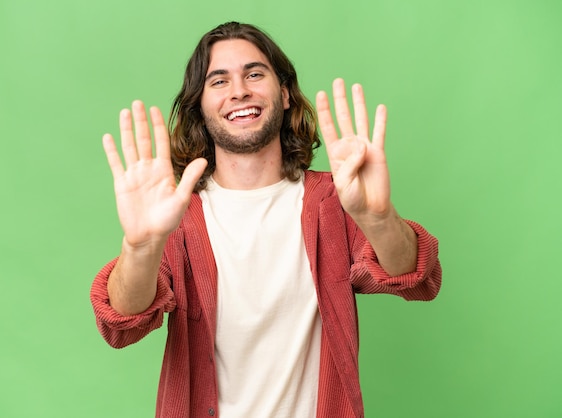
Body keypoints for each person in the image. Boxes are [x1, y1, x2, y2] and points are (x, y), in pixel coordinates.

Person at [90, 21, 442, 418]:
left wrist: (376, 217)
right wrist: (141, 246)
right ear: (201, 109)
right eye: (218, 81)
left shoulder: (334, 199)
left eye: (254, 74)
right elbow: (122, 324)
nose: (239, 90)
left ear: (285, 93)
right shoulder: (178, 216)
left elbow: (418, 278)